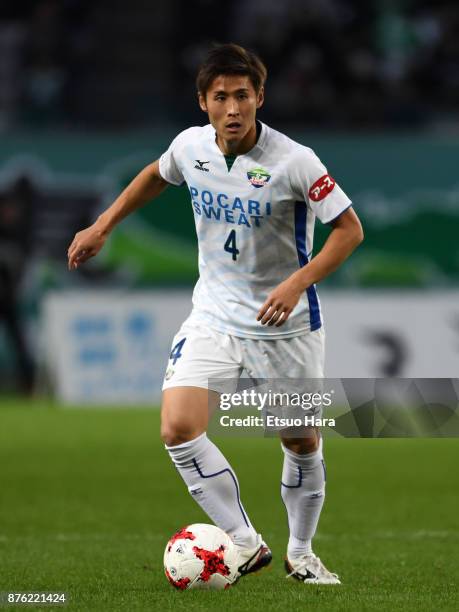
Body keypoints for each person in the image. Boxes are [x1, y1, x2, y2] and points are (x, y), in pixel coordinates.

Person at [68, 43, 363, 586]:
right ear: (203, 102)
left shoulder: (295, 161)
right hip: (213, 317)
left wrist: (297, 282)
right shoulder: (190, 147)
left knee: (299, 440)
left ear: (260, 98)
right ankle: (247, 543)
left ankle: (302, 552)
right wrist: (104, 224)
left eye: (243, 96)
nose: (233, 108)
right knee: (178, 427)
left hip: (285, 327)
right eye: (221, 97)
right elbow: (157, 174)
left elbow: (349, 230)